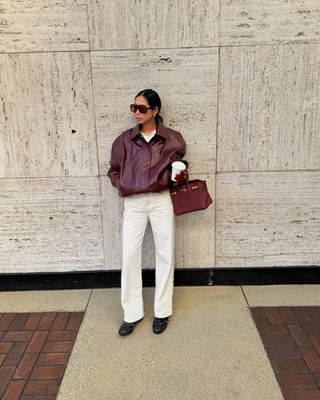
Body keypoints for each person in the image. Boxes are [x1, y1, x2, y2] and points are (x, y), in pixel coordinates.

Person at [107, 89, 188, 336]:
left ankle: (162, 311)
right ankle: (131, 313)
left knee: (165, 255)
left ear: (155, 111)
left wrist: (179, 173)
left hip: (161, 200)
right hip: (133, 203)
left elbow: (182, 168)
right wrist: (124, 185)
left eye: (142, 108)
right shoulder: (124, 140)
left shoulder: (172, 139)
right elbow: (113, 170)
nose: (137, 113)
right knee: (130, 256)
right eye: (134, 107)